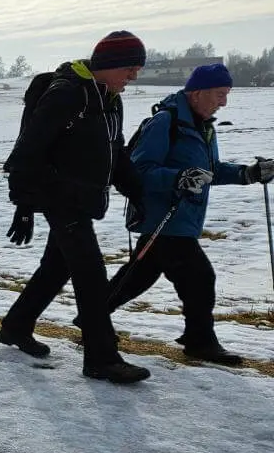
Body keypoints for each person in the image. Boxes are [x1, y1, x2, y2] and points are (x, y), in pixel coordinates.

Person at [0, 30, 151, 384]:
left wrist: (137, 192)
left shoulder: (109, 100)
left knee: (57, 267)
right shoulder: (68, 93)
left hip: (82, 199)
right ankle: (101, 357)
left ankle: (16, 325)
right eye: (129, 68)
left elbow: (115, 152)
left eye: (137, 70)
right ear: (108, 64)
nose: (133, 76)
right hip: (60, 197)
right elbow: (28, 149)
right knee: (91, 273)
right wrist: (23, 204)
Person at [103, 63, 274, 365]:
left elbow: (209, 171)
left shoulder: (203, 126)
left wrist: (247, 173)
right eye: (219, 94)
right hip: (164, 218)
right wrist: (179, 178)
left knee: (137, 277)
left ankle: (92, 317)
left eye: (227, 95)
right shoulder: (166, 122)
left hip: (183, 218)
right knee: (200, 277)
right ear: (197, 93)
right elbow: (139, 170)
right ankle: (200, 342)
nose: (224, 102)